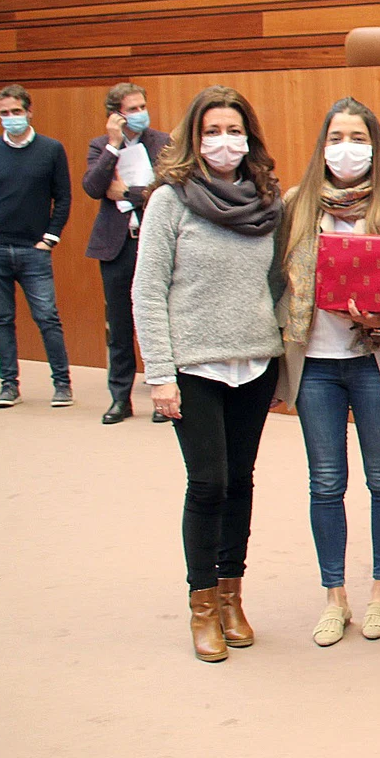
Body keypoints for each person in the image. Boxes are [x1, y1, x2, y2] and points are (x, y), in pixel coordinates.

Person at [131, 85, 284, 662]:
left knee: (240, 482)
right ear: (193, 139)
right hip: (193, 366)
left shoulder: (265, 199)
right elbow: (147, 292)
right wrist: (160, 375)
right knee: (210, 483)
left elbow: (275, 283)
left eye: (234, 130)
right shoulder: (170, 201)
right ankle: (201, 607)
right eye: (212, 131)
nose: (225, 141)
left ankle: (231, 597)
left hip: (254, 362)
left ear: (249, 138)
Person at [274, 97, 380, 647]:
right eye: (336, 138)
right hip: (315, 363)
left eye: (357, 138)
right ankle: (334, 596)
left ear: (375, 146)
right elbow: (276, 283)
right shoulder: (295, 206)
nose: (347, 149)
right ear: (323, 146)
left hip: (374, 362)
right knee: (325, 483)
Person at [0, 83, 72, 410]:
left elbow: (63, 197)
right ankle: (9, 386)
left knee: (47, 318)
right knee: (1, 319)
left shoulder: (51, 149)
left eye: (16, 112)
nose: (11, 118)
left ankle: (62, 384)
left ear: (29, 111)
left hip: (34, 251)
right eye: (4, 113)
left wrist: (50, 238)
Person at [82, 82, 172, 424]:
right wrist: (113, 146)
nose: (139, 114)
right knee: (118, 326)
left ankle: (164, 396)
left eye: (141, 107)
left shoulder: (162, 142)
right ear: (115, 115)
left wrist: (129, 192)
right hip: (118, 246)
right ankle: (120, 399)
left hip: (156, 242)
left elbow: (168, 188)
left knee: (158, 321)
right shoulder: (100, 145)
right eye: (131, 109)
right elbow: (93, 188)